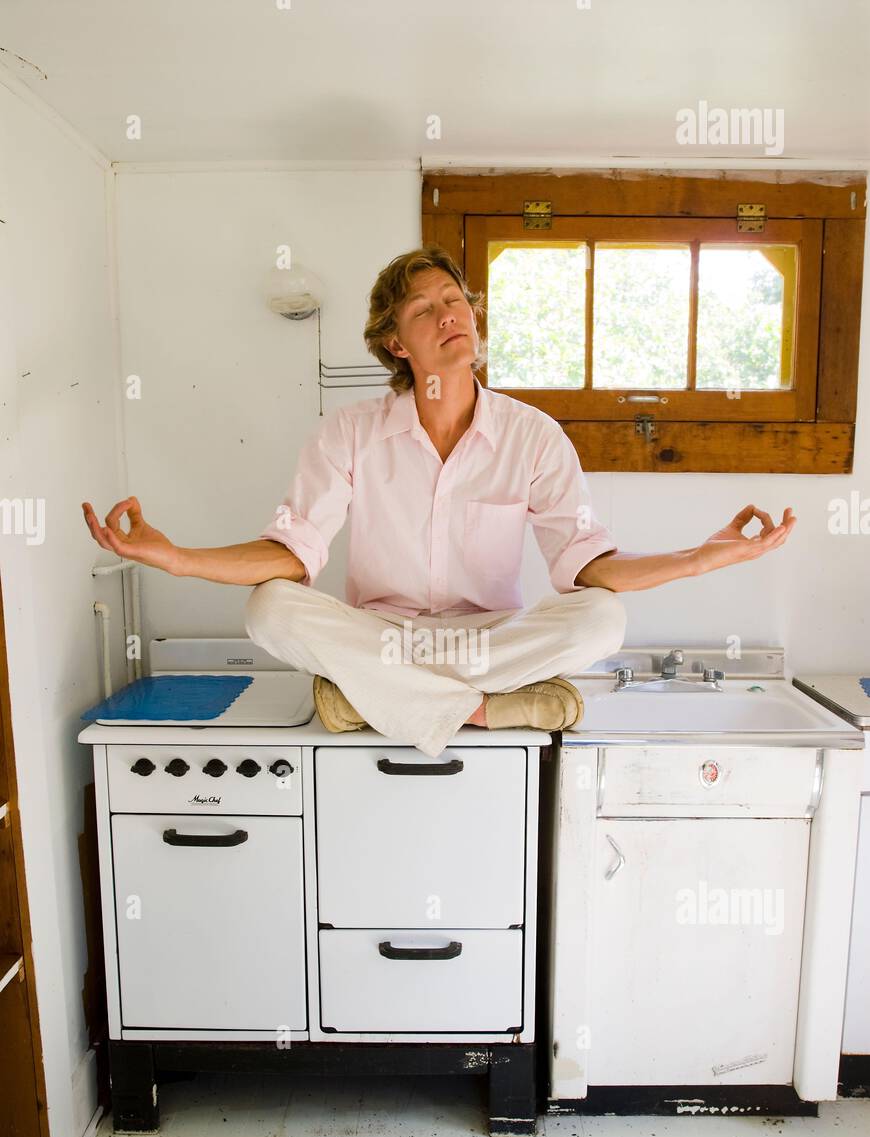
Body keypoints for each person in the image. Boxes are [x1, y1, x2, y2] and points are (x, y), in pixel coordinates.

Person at [82, 244, 796, 758]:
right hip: (383, 638)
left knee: (603, 619)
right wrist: (172, 557)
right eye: (425, 308)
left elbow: (589, 568)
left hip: (486, 641)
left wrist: (704, 557)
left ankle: (368, 702)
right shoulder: (349, 434)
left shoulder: (535, 437)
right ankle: (485, 712)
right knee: (268, 607)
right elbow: (289, 557)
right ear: (395, 343)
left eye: (455, 300)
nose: (449, 313)